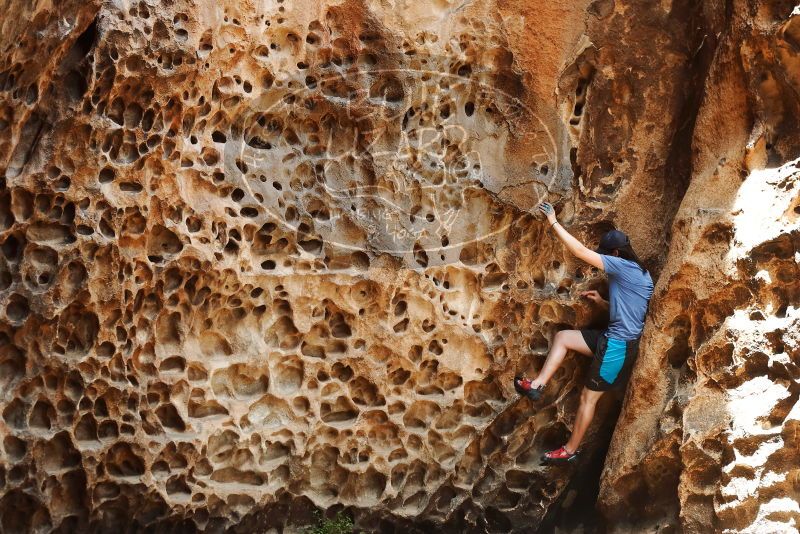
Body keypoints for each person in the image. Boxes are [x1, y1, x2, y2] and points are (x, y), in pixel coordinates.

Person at [514, 202, 654, 462]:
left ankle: (569, 451)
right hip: (611, 339)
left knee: (588, 399)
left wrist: (553, 221)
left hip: (618, 349)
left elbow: (579, 251)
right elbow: (632, 310)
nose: (605, 258)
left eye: (607, 254)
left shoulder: (622, 267)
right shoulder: (642, 274)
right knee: (563, 338)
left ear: (615, 253)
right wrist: (602, 303)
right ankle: (537, 385)